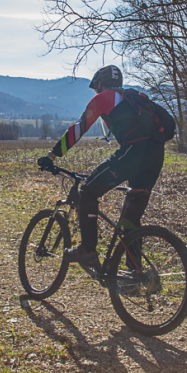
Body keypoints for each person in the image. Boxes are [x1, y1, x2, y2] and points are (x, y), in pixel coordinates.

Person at [37, 65, 166, 268]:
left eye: (96, 87)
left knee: (88, 191)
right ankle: (135, 276)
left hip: (134, 152)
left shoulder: (104, 98)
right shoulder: (130, 98)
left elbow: (78, 129)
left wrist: (52, 155)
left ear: (100, 83)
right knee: (130, 219)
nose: (96, 91)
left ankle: (88, 251)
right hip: (156, 155)